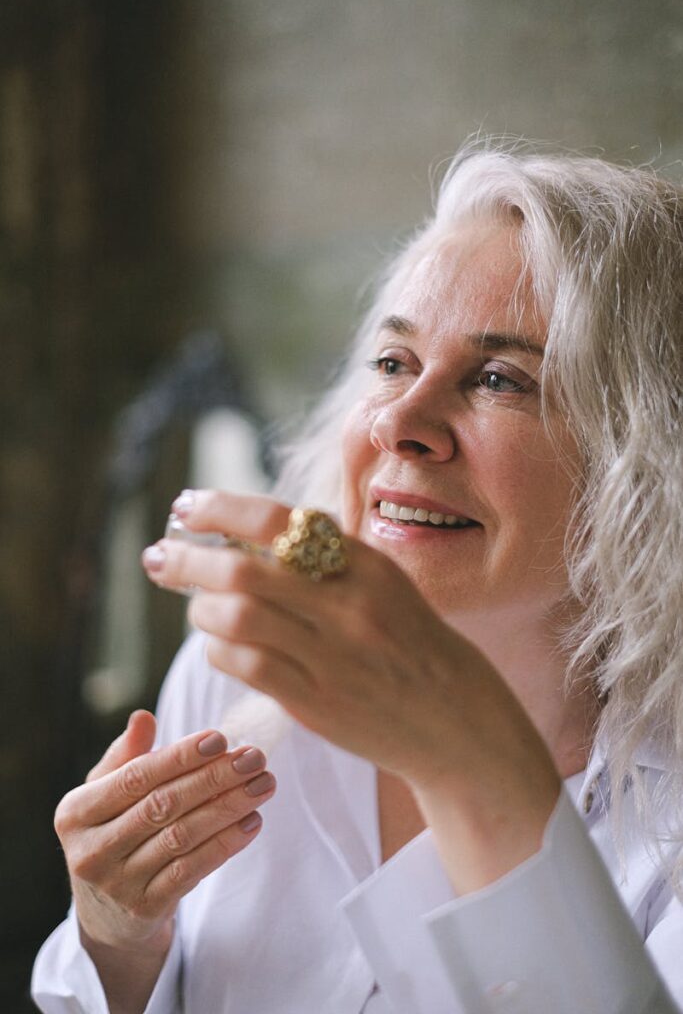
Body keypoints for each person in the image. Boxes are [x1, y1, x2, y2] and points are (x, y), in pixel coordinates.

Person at [33, 142, 683, 1014]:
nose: (398, 425)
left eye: (498, 379)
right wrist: (117, 941)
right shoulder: (237, 670)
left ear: (648, 458)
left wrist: (464, 756)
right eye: (391, 363)